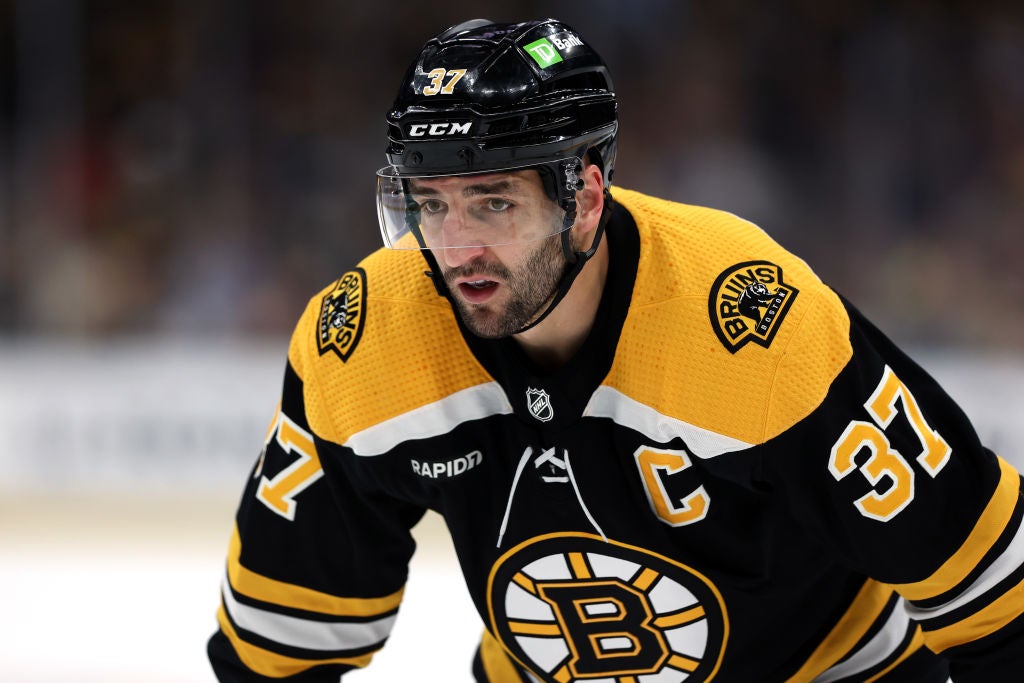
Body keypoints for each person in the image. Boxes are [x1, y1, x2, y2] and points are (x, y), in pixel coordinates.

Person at [207, 18, 1024, 682]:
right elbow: (279, 642)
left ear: (585, 196)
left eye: (491, 203)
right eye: (429, 203)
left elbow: (996, 595)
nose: (455, 248)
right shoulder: (364, 341)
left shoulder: (748, 325)